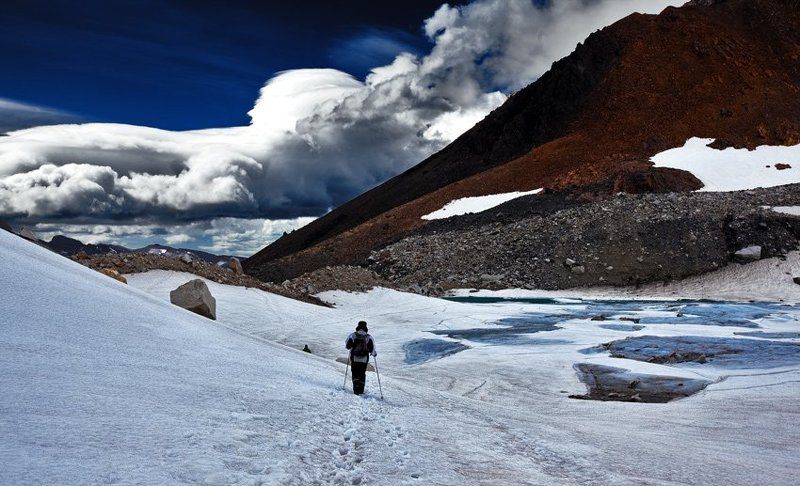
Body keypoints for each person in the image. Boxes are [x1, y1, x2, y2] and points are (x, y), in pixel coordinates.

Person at [345, 321, 377, 395]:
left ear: (358, 326)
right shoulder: (368, 337)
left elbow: (347, 346)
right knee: (362, 373)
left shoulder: (353, 335)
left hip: (354, 358)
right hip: (364, 359)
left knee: (355, 373)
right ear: (366, 327)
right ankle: (361, 390)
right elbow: (372, 350)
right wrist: (374, 354)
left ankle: (356, 389)